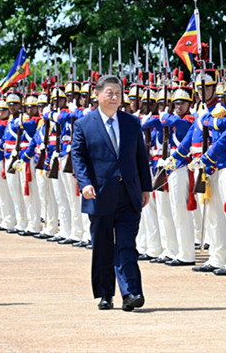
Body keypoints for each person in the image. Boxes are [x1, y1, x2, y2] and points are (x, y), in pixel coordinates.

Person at [71, 74, 152, 312]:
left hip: (129, 194)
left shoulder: (131, 122)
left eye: (118, 93)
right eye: (110, 93)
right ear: (96, 95)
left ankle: (131, 293)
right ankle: (105, 293)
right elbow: (78, 157)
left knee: (126, 244)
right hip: (99, 194)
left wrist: (146, 187)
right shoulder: (83, 125)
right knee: (103, 246)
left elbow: (141, 157)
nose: (115, 97)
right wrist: (84, 184)